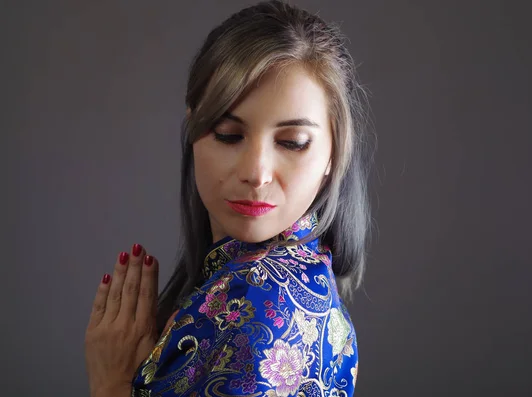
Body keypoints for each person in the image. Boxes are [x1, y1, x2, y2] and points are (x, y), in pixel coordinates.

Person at [84, 1, 374, 396]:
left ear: (333, 154)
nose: (256, 172)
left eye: (292, 143)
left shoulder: (258, 295)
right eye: (228, 134)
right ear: (194, 132)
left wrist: (111, 383)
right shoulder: (271, 279)